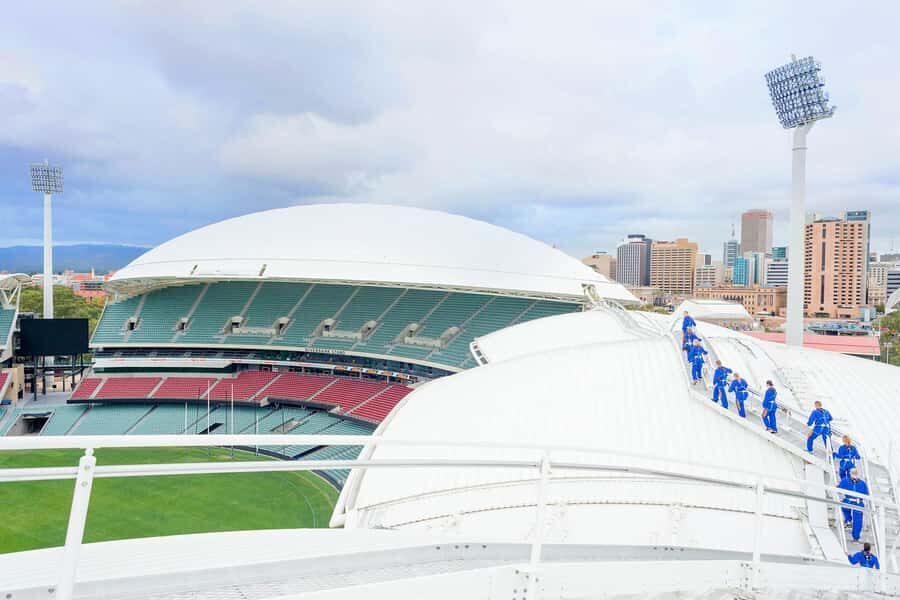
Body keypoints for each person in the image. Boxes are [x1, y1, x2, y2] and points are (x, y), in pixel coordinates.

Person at [839, 468, 869, 542]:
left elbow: (866, 494)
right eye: (853, 473)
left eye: (856, 473)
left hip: (858, 502)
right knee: (844, 506)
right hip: (848, 500)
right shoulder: (845, 481)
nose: (854, 474)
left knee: (858, 520)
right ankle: (848, 520)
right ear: (850, 473)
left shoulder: (862, 483)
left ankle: (856, 537)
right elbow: (839, 488)